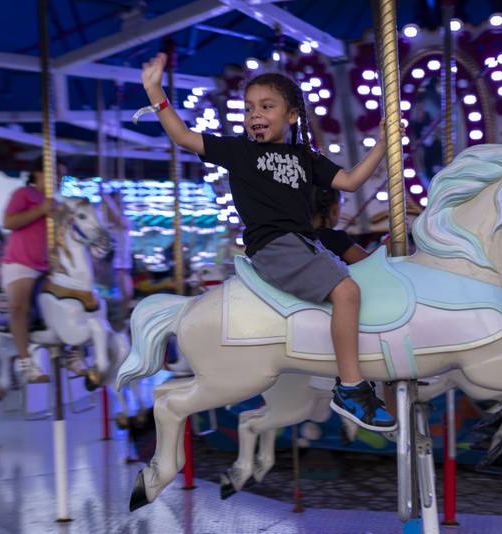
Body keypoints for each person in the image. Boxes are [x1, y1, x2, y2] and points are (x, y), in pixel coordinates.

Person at [141, 53, 398, 431]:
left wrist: (383, 144)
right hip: (275, 244)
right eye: (249, 108)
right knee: (346, 292)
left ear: (291, 115)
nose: (254, 114)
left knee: (355, 290)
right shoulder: (240, 152)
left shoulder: (304, 157)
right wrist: (156, 92)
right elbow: (182, 136)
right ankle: (351, 387)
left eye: (266, 106)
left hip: (305, 244)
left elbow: (349, 181)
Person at [0, 158, 52, 383]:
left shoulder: (55, 203)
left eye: (61, 174)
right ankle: (25, 362)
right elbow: (9, 222)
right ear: (37, 173)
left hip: (45, 266)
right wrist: (41, 209)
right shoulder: (23, 194)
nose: (58, 178)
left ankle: (73, 353)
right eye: (54, 172)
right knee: (19, 307)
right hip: (20, 264)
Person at [312, 187, 369, 265]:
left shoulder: (301, 236)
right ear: (334, 211)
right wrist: (386, 243)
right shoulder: (335, 237)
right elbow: (368, 263)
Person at [102, 190, 134, 316]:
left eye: (118, 204)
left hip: (121, 267)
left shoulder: (125, 221)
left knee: (127, 294)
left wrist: (107, 199)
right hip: (107, 267)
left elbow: (118, 220)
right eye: (116, 203)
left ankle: (120, 320)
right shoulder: (104, 225)